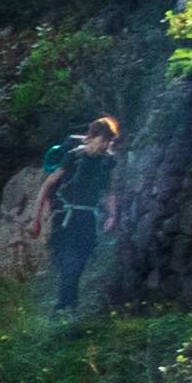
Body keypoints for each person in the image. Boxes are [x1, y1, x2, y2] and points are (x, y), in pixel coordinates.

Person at [45, 112, 126, 315]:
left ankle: (66, 308)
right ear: (93, 137)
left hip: (87, 219)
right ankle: (64, 309)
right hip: (66, 218)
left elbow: (108, 191)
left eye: (108, 141)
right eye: (103, 140)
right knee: (69, 264)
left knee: (80, 263)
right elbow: (49, 183)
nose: (105, 145)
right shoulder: (74, 157)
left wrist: (112, 215)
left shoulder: (106, 163)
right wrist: (37, 217)